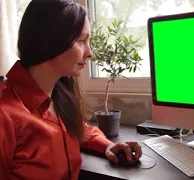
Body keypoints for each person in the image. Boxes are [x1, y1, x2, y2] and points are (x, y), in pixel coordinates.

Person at [0, 0, 142, 179]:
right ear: (50, 41)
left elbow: (79, 129)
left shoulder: (57, 98)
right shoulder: (5, 116)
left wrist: (107, 145)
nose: (90, 53)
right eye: (82, 40)